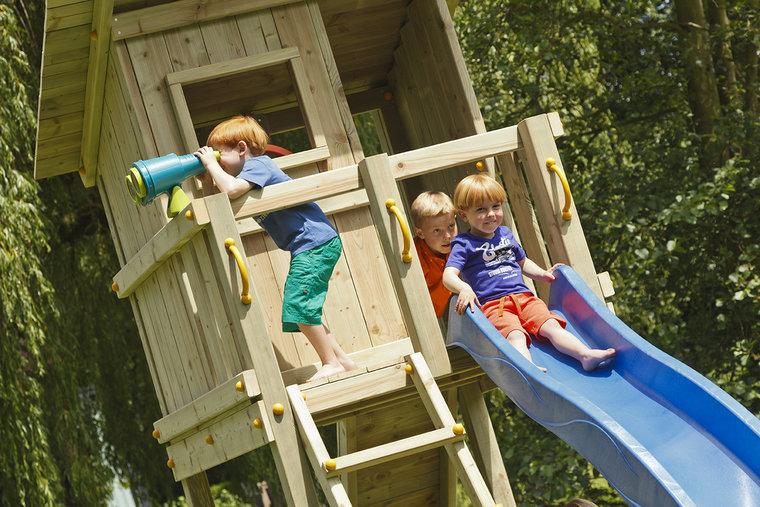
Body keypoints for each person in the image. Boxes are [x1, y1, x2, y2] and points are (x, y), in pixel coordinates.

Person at [195, 115, 356, 382]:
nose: (216, 159)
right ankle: (342, 361)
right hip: (309, 245)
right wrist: (207, 179)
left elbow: (232, 190)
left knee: (298, 305)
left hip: (314, 242)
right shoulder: (246, 176)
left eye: (219, 153)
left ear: (242, 148)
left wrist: (212, 165)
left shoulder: (260, 164)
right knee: (303, 308)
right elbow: (218, 206)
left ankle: (330, 363)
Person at [442, 174, 615, 372]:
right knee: (515, 335)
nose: (491, 214)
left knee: (551, 325)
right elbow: (448, 275)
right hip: (494, 305)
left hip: (524, 298)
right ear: (464, 215)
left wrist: (542, 274)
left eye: (495, 207)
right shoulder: (463, 244)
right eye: (481, 209)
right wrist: (464, 288)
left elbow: (522, 262)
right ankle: (528, 368)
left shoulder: (505, 234)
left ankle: (585, 355)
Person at [411, 191, 458, 319]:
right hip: (422, 318)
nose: (447, 236)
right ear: (420, 233)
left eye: (451, 226)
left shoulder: (459, 247)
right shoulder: (415, 261)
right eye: (437, 230)